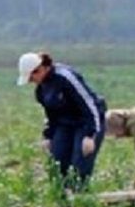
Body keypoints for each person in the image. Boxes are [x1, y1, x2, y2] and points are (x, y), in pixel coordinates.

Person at [17, 52, 106, 191]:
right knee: (57, 165)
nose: (31, 81)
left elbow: (89, 104)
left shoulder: (65, 77)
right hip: (65, 124)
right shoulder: (41, 91)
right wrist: (48, 136)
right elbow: (51, 115)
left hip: (85, 122)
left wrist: (90, 135)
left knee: (79, 167)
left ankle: (80, 201)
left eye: (32, 76)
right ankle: (63, 202)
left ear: (40, 69)